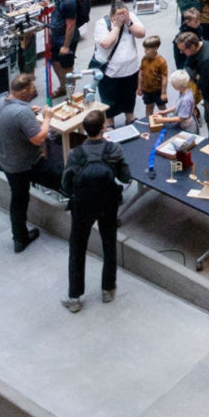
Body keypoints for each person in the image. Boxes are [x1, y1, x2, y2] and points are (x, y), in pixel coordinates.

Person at [60, 109, 131, 311]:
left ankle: (74, 298)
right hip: (108, 203)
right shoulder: (114, 150)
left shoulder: (76, 154)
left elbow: (65, 184)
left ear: (84, 129)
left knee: (77, 247)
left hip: (83, 206)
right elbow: (126, 177)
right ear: (103, 127)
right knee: (109, 244)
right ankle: (108, 290)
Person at [0, 74, 53, 253]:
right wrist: (47, 118)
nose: (35, 90)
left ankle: (19, 237)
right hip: (22, 164)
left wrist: (28, 113)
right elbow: (39, 139)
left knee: (18, 198)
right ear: (24, 91)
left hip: (4, 159)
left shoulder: (1, 103)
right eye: (33, 88)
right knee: (58, 177)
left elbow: (10, 121)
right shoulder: (22, 112)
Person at [90, 2, 147, 127]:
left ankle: (130, 117)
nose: (122, 17)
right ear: (111, 16)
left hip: (130, 70)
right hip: (110, 72)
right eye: (118, 15)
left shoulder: (130, 17)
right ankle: (109, 122)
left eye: (124, 14)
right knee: (109, 100)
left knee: (129, 96)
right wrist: (116, 26)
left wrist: (129, 23)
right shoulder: (102, 24)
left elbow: (141, 33)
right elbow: (106, 43)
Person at [44, 0, 78, 96]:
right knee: (56, 61)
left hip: (66, 39)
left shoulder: (68, 1)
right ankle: (63, 87)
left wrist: (66, 46)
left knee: (68, 69)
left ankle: (70, 96)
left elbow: (71, 26)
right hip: (56, 37)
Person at [137, 34, 168, 117]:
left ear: (155, 49)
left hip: (158, 90)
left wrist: (163, 93)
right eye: (144, 48)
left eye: (147, 49)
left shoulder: (161, 61)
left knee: (162, 108)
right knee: (149, 107)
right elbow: (141, 74)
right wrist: (140, 87)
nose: (145, 51)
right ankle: (148, 122)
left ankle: (165, 122)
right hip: (147, 89)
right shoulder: (144, 58)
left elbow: (164, 78)